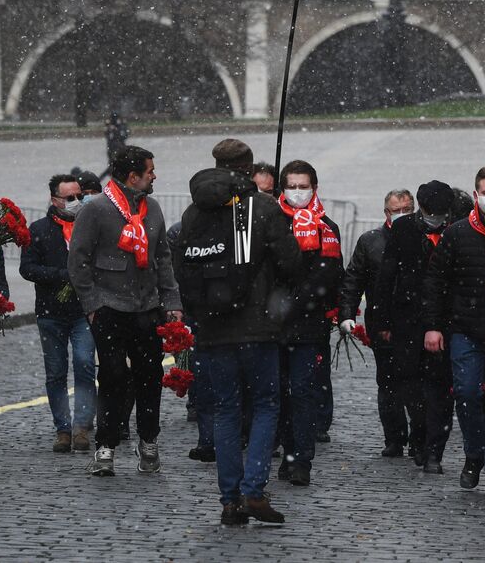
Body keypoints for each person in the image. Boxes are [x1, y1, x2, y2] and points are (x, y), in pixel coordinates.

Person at [175, 138, 301, 525]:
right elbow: (292, 264)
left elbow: (183, 268)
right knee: (265, 407)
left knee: (226, 411)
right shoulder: (262, 207)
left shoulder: (194, 213)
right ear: (248, 169)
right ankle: (253, 490)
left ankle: (229, 499)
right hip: (257, 327)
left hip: (213, 330)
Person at [69, 144, 182, 478]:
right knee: (114, 377)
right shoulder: (96, 210)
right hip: (110, 309)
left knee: (151, 377)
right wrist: (92, 306)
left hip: (147, 308)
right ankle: (105, 447)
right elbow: (78, 260)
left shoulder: (153, 209)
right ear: (133, 177)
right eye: (150, 171)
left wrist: (172, 302)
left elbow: (162, 259)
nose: (154, 176)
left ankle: (148, 440)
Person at [422, 165, 485, 495]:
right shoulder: (458, 233)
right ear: (476, 195)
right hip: (465, 328)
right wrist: (433, 326)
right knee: (467, 393)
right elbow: (436, 282)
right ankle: (474, 454)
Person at [372, 180, 458, 473]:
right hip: (408, 319)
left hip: (446, 319)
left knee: (441, 391)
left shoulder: (456, 228)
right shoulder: (405, 229)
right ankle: (419, 438)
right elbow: (387, 275)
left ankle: (434, 449)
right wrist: (382, 320)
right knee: (411, 385)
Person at [275, 159, 344, 487]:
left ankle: (301, 458)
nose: (298, 192)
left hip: (308, 325)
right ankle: (287, 450)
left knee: (302, 392)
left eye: (304, 187)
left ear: (314, 188)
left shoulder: (327, 227)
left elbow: (330, 276)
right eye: (292, 186)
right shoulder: (271, 223)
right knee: (278, 393)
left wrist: (297, 302)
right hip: (272, 327)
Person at [21, 173, 97, 453]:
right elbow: (27, 268)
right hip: (50, 313)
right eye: (70, 198)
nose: (77, 201)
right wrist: (62, 276)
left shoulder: (91, 226)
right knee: (55, 372)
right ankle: (62, 428)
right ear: (55, 201)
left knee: (84, 364)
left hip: (83, 311)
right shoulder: (39, 229)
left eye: (80, 196)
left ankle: (81, 428)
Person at [340, 189, 415, 458]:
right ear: (386, 213)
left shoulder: (423, 238)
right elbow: (353, 280)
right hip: (382, 324)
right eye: (397, 210)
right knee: (388, 382)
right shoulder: (370, 241)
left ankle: (418, 439)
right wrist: (346, 314)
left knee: (415, 384)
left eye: (407, 209)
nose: (403, 215)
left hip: (415, 324)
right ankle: (394, 438)